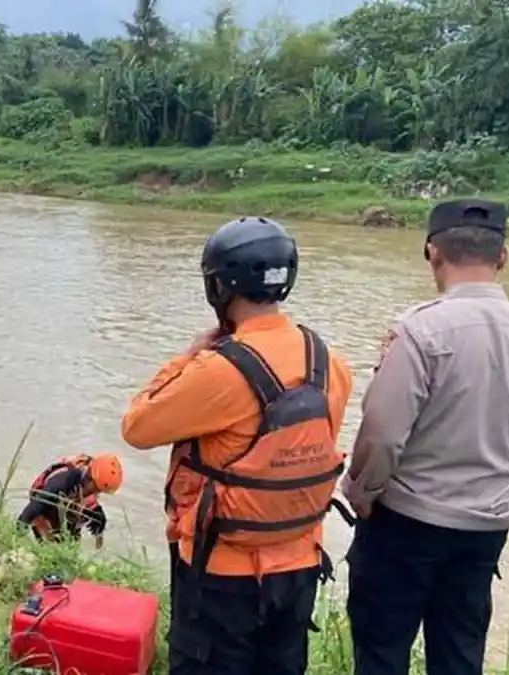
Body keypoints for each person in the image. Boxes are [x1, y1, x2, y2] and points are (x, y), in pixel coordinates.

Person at [341, 199, 509, 675]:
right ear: (502, 257)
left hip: (405, 521)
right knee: (460, 651)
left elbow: (382, 434)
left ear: (431, 252)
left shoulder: (419, 331)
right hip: (485, 528)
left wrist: (362, 492)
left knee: (382, 649)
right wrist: (502, 487)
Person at [121, 217, 354, 675]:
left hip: (222, 575)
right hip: (299, 566)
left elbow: (138, 427)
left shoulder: (220, 370)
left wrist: (190, 356)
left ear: (220, 285)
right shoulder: (329, 362)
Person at [16, 453, 123, 549]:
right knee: (51, 549)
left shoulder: (88, 481)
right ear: (91, 478)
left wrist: (99, 532)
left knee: (71, 546)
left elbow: (91, 507)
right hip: (44, 504)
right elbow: (32, 510)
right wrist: (17, 537)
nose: (98, 493)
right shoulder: (62, 481)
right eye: (97, 489)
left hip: (67, 503)